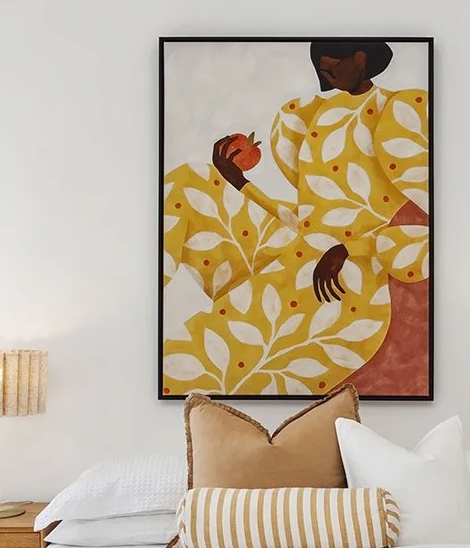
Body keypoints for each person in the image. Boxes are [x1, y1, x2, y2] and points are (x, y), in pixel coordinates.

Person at [161, 40, 430, 396]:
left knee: (191, 365)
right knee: (187, 183)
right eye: (321, 65)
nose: (324, 72)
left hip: (345, 285)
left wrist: (349, 250)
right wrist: (239, 182)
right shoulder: (306, 116)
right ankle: (142, 309)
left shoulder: (401, 111)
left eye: (331, 63)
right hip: (296, 251)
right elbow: (306, 221)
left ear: (361, 58)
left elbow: (429, 234)